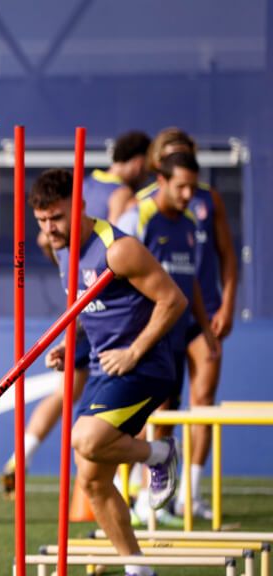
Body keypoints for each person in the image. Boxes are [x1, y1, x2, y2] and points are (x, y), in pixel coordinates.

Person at [31, 168, 185, 576]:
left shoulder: (118, 250)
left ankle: (160, 452)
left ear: (79, 208)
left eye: (57, 218)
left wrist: (135, 351)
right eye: (43, 222)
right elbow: (87, 312)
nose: (50, 229)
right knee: (92, 481)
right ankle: (138, 570)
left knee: (84, 439)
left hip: (145, 366)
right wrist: (71, 346)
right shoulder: (60, 250)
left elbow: (173, 300)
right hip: (103, 366)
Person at [1, 131, 151, 498]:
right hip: (108, 306)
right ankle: (129, 483)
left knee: (67, 388)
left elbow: (46, 240)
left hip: (82, 302)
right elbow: (111, 247)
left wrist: (69, 268)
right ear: (136, 161)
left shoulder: (84, 181)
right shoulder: (120, 196)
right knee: (125, 401)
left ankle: (23, 454)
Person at [135, 129, 238, 520]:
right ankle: (151, 496)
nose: (186, 190)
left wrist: (226, 305)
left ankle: (190, 495)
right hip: (161, 320)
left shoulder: (207, 200)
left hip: (203, 313)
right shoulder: (145, 207)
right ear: (160, 168)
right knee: (161, 406)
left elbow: (223, 257)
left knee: (204, 400)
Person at [118, 152, 220, 525]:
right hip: (147, 332)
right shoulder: (139, 216)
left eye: (193, 186)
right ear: (160, 181)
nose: (188, 193)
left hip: (181, 330)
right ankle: (137, 493)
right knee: (147, 414)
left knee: (170, 413)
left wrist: (206, 330)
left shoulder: (191, 220)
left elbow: (189, 278)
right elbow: (117, 268)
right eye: (181, 186)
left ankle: (161, 494)